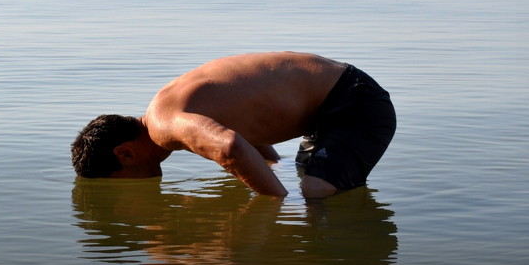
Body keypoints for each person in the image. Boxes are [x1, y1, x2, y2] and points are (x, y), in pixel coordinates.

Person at [71, 52, 396, 198]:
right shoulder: (164, 105)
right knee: (304, 172)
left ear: (125, 154)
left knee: (315, 190)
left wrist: (275, 202)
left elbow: (229, 146)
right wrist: (271, 164)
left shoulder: (164, 127)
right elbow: (240, 129)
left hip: (353, 103)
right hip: (331, 100)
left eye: (121, 185)